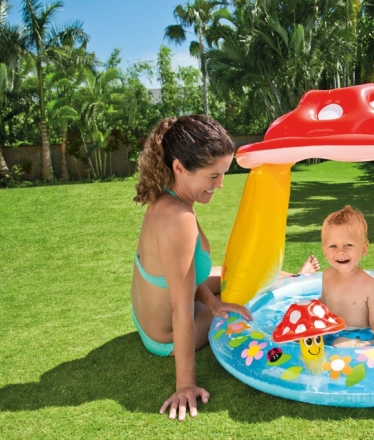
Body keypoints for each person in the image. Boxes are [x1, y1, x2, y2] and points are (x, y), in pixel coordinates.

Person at [131, 115, 319, 422]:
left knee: (236, 274)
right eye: (212, 176)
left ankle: (295, 277)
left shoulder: (169, 199)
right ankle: (293, 281)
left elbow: (184, 274)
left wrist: (214, 301)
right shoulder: (178, 220)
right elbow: (181, 309)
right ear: (179, 167)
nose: (220, 184)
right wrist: (185, 384)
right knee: (246, 295)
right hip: (164, 336)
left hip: (148, 315)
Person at [318, 205, 374, 348]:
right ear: (324, 250)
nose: (340, 252)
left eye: (348, 245)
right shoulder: (327, 275)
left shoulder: (369, 286)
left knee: (339, 345)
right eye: (333, 246)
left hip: (358, 334)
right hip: (331, 330)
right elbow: (323, 302)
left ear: (364, 249)